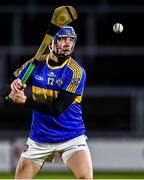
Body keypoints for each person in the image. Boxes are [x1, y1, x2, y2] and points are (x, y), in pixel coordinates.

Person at [7, 25, 93, 179]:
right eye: (62, 39)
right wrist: (13, 86)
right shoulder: (35, 64)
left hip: (71, 136)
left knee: (85, 178)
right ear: (50, 43)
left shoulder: (76, 71)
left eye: (70, 40)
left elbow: (57, 109)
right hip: (39, 138)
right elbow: (6, 89)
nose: (67, 43)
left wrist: (24, 100)